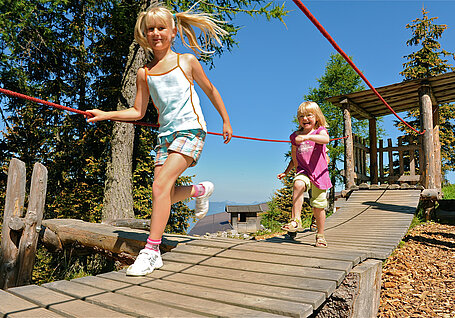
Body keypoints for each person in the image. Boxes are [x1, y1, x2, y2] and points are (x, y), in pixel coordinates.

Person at [86, 1, 232, 275]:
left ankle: (151, 251)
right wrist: (106, 114)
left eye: (161, 28)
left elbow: (210, 90)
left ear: (173, 32)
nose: (156, 33)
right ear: (145, 34)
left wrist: (225, 119)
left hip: (191, 129)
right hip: (164, 136)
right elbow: (137, 111)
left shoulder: (185, 61)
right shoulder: (145, 73)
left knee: (160, 186)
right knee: (160, 191)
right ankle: (200, 191)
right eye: (150, 29)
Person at [277, 101, 332, 247]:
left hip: (319, 173)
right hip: (303, 171)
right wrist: (287, 171)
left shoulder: (319, 131)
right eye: (301, 116)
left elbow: (325, 139)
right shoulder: (295, 136)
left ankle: (320, 234)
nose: (305, 118)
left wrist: (308, 137)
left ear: (317, 117)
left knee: (318, 206)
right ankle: (296, 220)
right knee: (298, 184)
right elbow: (294, 156)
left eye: (309, 115)